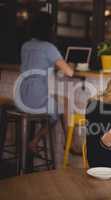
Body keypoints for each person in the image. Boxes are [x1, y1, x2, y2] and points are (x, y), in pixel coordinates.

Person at [14, 12, 74, 152]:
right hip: (35, 98)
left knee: (59, 102)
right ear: (49, 29)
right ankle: (65, 144)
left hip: (20, 96)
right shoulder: (49, 47)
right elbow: (69, 73)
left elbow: (35, 64)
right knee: (63, 105)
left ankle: (67, 143)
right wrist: (71, 65)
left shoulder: (26, 45)